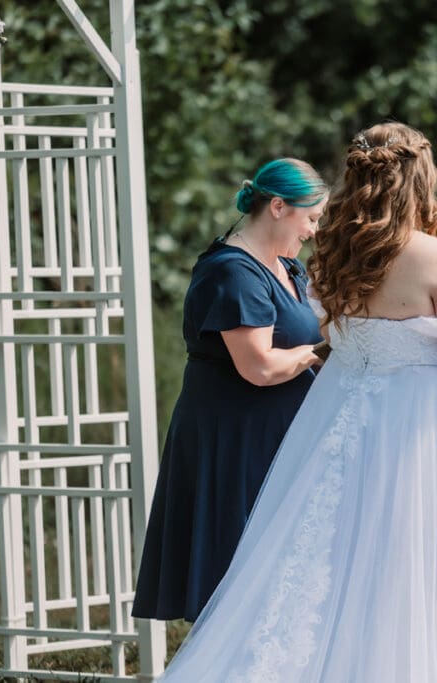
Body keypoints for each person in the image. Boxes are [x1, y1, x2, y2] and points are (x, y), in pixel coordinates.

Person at [155, 123, 437, 681]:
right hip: (420, 430)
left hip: (337, 416)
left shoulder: (334, 254)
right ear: (420, 182)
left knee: (330, 554)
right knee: (417, 564)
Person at [132, 158, 328, 622]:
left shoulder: (286, 266)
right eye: (312, 218)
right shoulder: (233, 272)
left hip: (272, 434)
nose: (315, 230)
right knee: (235, 572)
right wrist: (321, 352)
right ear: (278, 207)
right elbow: (259, 366)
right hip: (233, 437)